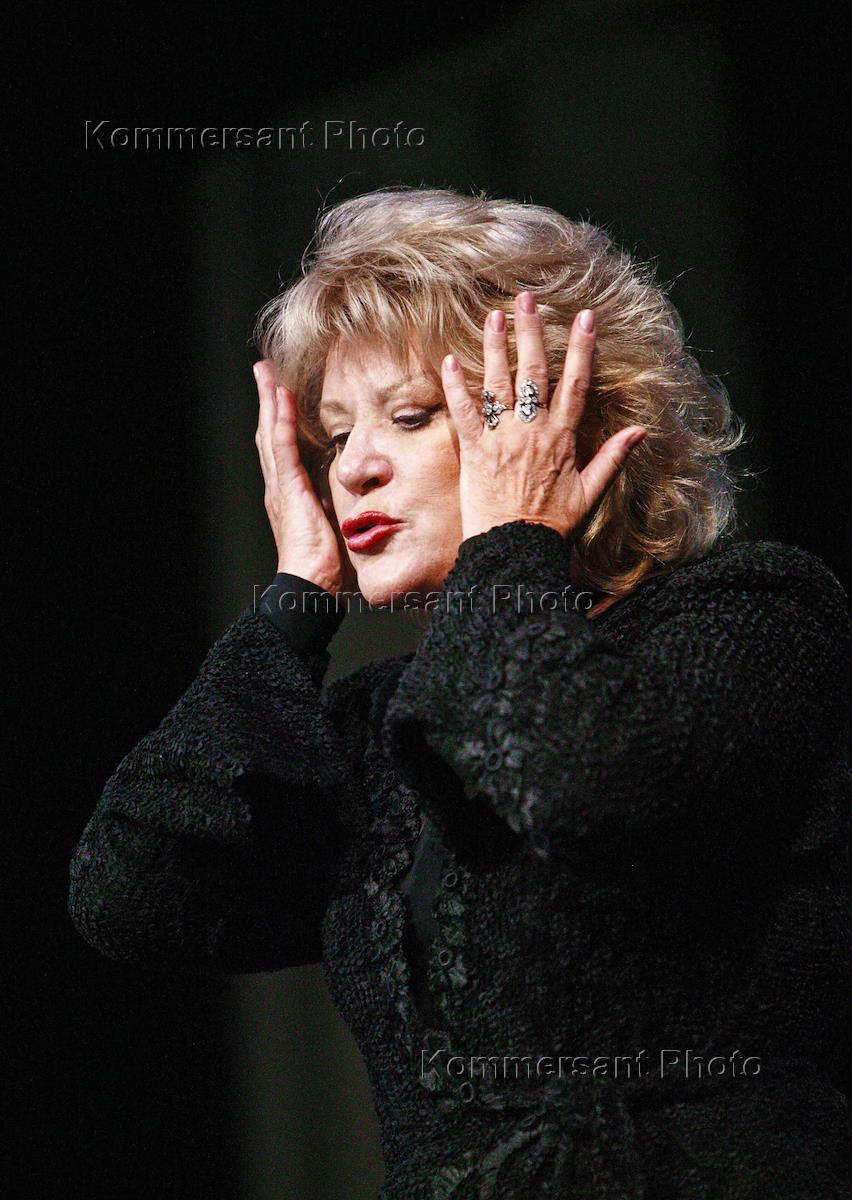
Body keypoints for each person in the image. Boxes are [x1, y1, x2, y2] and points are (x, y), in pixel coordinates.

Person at [68, 187, 851, 1198]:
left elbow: (574, 779)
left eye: (408, 417)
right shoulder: (381, 723)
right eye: (333, 438)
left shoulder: (754, 614)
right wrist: (293, 604)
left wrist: (514, 537)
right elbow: (132, 897)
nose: (353, 470)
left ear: (560, 415)